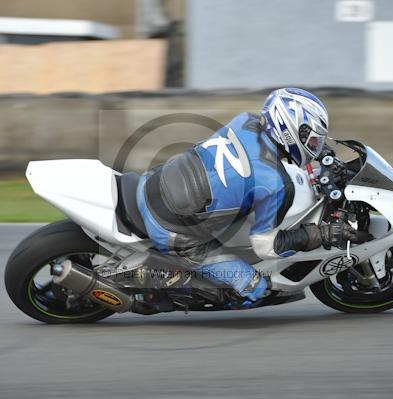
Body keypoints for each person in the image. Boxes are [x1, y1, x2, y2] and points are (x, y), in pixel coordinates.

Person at [136, 88, 368, 304]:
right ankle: (159, 286)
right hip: (172, 228)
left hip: (156, 180)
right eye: (313, 140)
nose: (315, 146)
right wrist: (321, 234)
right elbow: (267, 247)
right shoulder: (275, 183)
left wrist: (321, 154)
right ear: (289, 132)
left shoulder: (246, 121)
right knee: (256, 288)